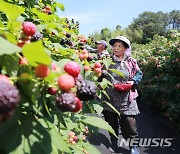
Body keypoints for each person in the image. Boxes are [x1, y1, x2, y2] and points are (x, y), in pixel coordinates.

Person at [102, 36, 143, 154]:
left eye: (120, 46)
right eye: (114, 46)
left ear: (126, 48)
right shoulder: (107, 60)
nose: (116, 48)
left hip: (126, 98)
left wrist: (133, 81)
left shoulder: (131, 61)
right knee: (111, 122)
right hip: (109, 97)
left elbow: (139, 73)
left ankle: (133, 146)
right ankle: (114, 142)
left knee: (129, 125)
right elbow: (100, 74)